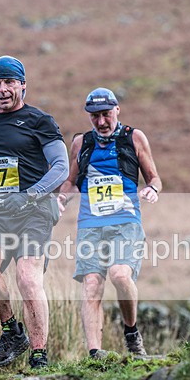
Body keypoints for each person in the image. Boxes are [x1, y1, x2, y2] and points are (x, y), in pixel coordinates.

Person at [0, 55, 68, 369]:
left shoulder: (40, 121)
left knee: (26, 277)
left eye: (9, 82)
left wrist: (29, 195)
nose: (3, 89)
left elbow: (61, 167)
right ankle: (11, 332)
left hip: (33, 211)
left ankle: (39, 355)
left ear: (22, 85)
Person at [57, 88, 162, 358]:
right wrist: (61, 198)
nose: (101, 121)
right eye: (95, 116)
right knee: (92, 284)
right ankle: (96, 353)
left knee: (119, 275)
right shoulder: (81, 143)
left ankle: (131, 332)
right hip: (90, 225)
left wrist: (152, 189)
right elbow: (71, 181)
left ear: (117, 110)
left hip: (126, 222)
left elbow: (154, 177)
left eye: (106, 114)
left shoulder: (134, 137)